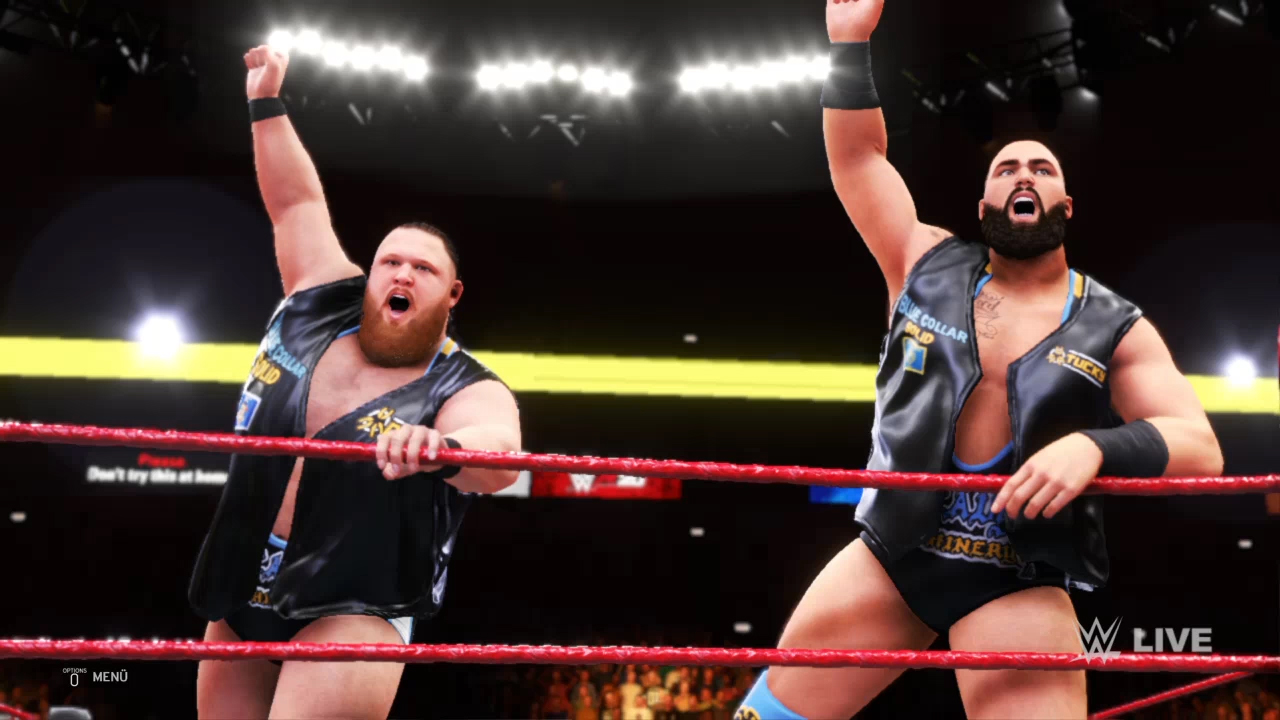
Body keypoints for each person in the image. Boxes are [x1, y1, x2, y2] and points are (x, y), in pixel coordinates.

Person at [735, 1, 1225, 718]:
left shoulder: (1116, 324)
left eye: (1041, 167)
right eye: (1006, 167)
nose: (1023, 174)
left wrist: (1095, 446)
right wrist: (849, 43)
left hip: (1017, 574)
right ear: (983, 201)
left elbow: (1200, 446)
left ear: (1066, 203)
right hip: (892, 551)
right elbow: (859, 158)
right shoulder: (921, 260)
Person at [189, 45, 522, 719]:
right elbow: (295, 202)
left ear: (452, 293)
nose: (402, 274)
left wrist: (443, 449)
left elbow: (501, 455)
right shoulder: (316, 295)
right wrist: (265, 101)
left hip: (356, 603)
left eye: (423, 269)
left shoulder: (464, 382)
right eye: (390, 261)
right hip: (241, 578)